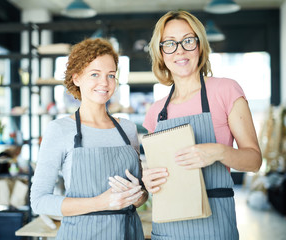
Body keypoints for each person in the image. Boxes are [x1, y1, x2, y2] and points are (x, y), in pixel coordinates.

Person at [142, 10, 262, 239]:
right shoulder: (156, 111)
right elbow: (154, 170)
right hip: (167, 227)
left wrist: (219, 152)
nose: (180, 50)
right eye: (170, 43)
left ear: (200, 45)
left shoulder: (226, 90)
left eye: (188, 40)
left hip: (215, 225)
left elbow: (255, 161)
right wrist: (148, 179)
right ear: (160, 52)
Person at [30, 38, 147, 240]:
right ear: (76, 78)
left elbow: (141, 193)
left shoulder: (127, 129)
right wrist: (101, 203)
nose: (105, 83)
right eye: (95, 74)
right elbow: (39, 201)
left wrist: (139, 196)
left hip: (128, 232)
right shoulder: (59, 130)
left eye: (111, 75)